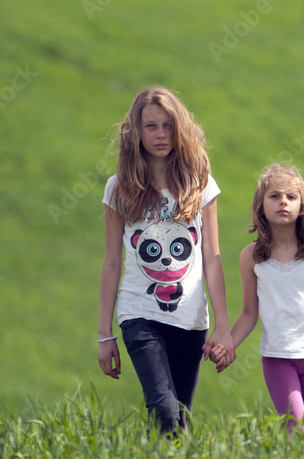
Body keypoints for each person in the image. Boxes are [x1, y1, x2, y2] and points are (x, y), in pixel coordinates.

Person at [97, 86, 235, 433]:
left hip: (191, 319)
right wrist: (104, 334)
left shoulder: (199, 183)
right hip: (139, 314)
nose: (160, 134)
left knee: (178, 418)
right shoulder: (119, 188)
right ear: (136, 132)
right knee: (164, 409)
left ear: (180, 128)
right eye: (151, 126)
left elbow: (212, 256)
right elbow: (111, 261)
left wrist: (222, 326)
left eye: (168, 125)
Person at [218, 163, 304, 435]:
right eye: (274, 196)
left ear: (302, 205)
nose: (283, 202)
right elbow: (249, 313)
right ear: (261, 205)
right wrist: (228, 344)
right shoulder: (251, 257)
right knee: (297, 431)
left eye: (291, 196)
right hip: (278, 359)